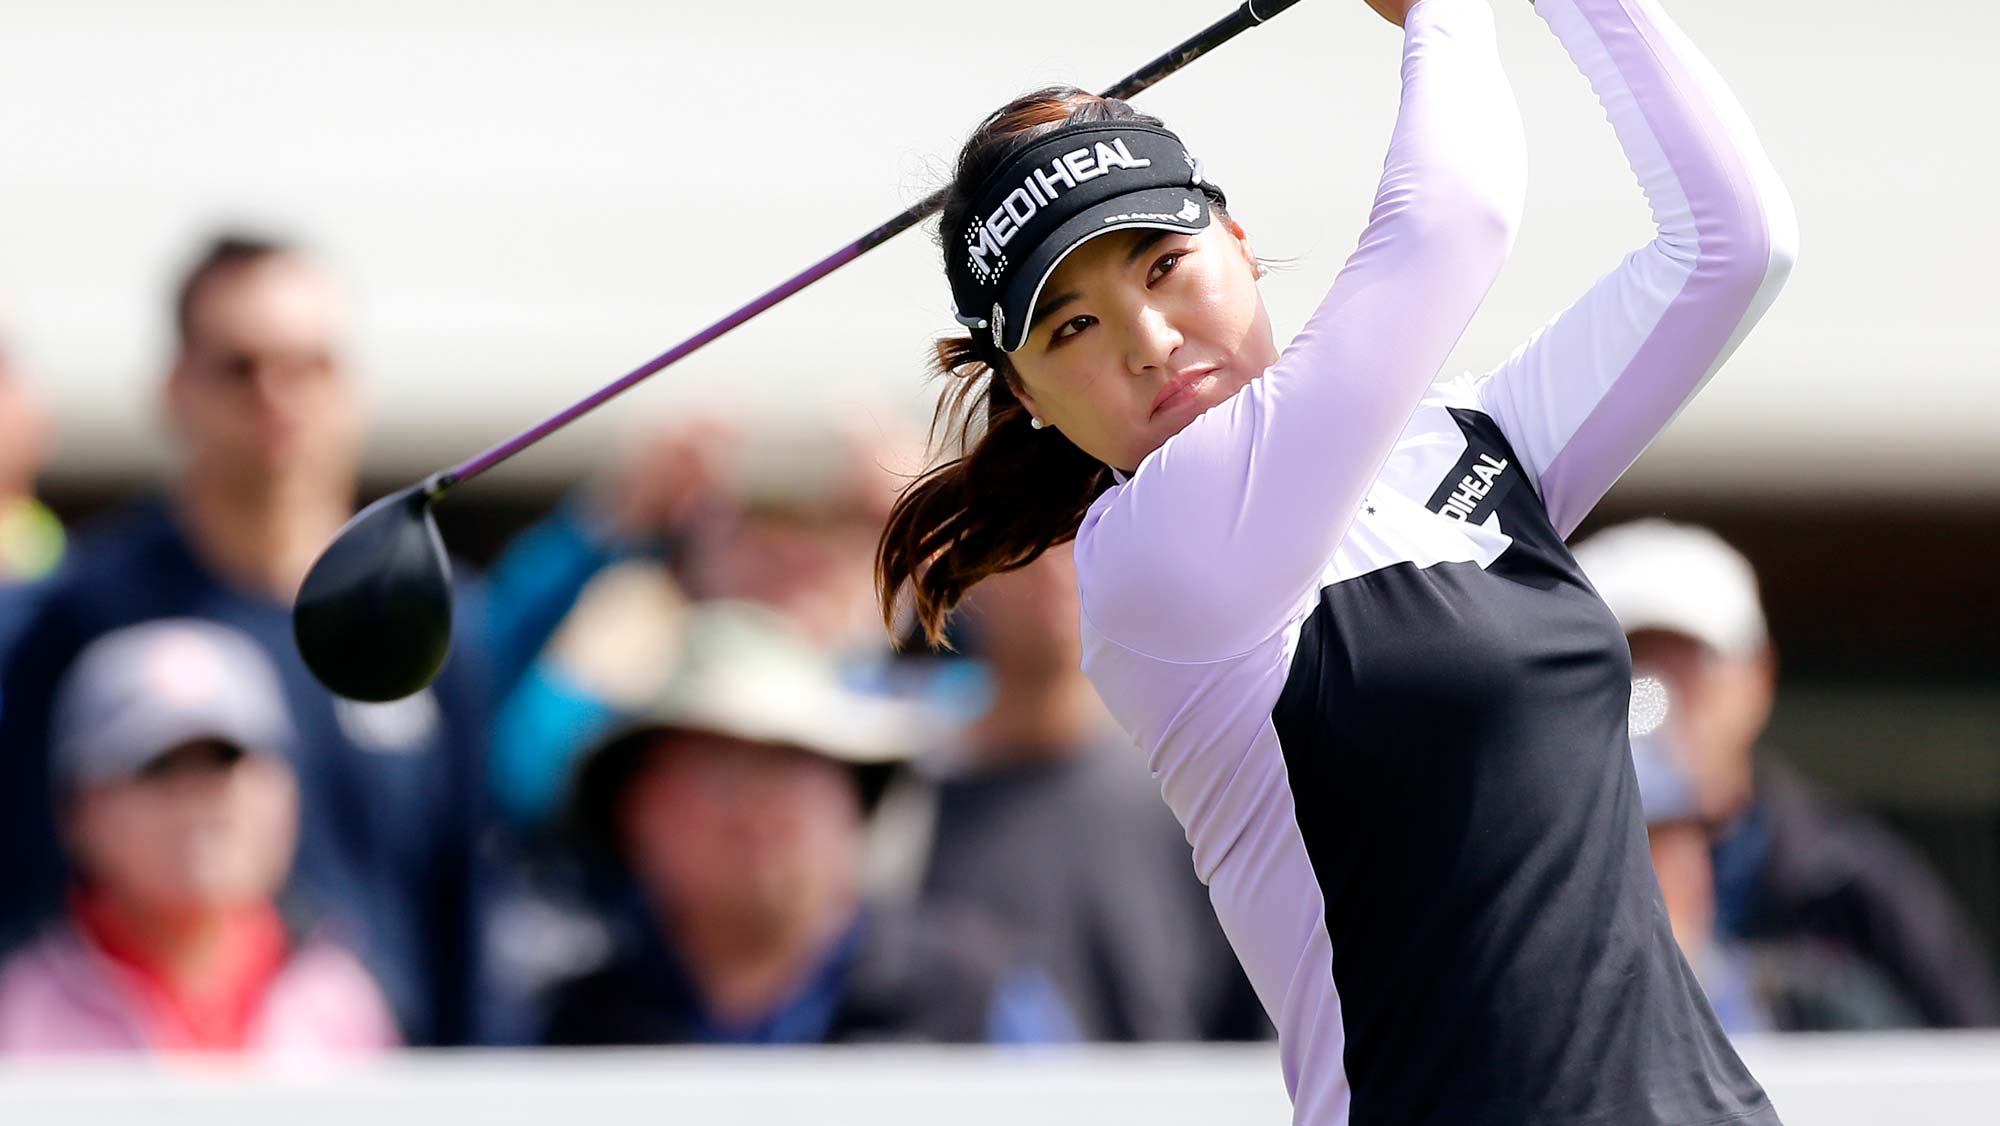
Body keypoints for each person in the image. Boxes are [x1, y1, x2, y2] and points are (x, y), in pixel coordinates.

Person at [875, 0, 1796, 1121]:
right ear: (1026, 399)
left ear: (1240, 243)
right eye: (1071, 327)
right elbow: (1451, 222)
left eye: (1163, 264)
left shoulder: (1455, 445)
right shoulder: (1154, 557)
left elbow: (1731, 246)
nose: (1146, 340)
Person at [0, 234, 627, 1044]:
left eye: (310, 366)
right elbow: (24, 880)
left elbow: (466, 894)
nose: (276, 397)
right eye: (240, 366)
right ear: (174, 389)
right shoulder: (81, 615)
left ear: (352, 388)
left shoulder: (434, 619)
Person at [541, 602, 1078, 1046]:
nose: (758, 809)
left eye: (789, 766)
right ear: (637, 814)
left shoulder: (975, 1001)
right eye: (718, 772)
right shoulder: (571, 1028)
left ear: (852, 800)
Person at [1576, 518, 2000, 1028]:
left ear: (1759, 677)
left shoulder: (1853, 882)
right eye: (1631, 664)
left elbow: (1969, 1052)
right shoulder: (1528, 877)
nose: (1659, 696)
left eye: (1693, 664)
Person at [883, 544, 1267, 1041]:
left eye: (1081, 534)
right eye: (1024, 542)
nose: (1056, 567)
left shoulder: (1199, 799)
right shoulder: (901, 806)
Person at [0, 619, 398, 1055]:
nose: (201, 802)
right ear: (78, 810)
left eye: (227, 761)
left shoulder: (341, 1004)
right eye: (161, 768)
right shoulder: (19, 1015)